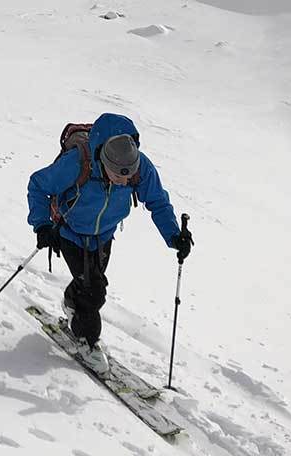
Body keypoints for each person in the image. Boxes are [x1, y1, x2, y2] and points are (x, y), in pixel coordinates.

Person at [26, 113, 193, 374]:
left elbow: (158, 201)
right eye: (117, 176)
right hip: (70, 231)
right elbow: (38, 185)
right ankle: (86, 341)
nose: (124, 181)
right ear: (103, 162)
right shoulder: (77, 163)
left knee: (90, 283)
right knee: (94, 291)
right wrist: (42, 224)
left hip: (104, 234)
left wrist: (174, 236)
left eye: (128, 177)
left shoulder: (140, 167)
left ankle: (72, 303)